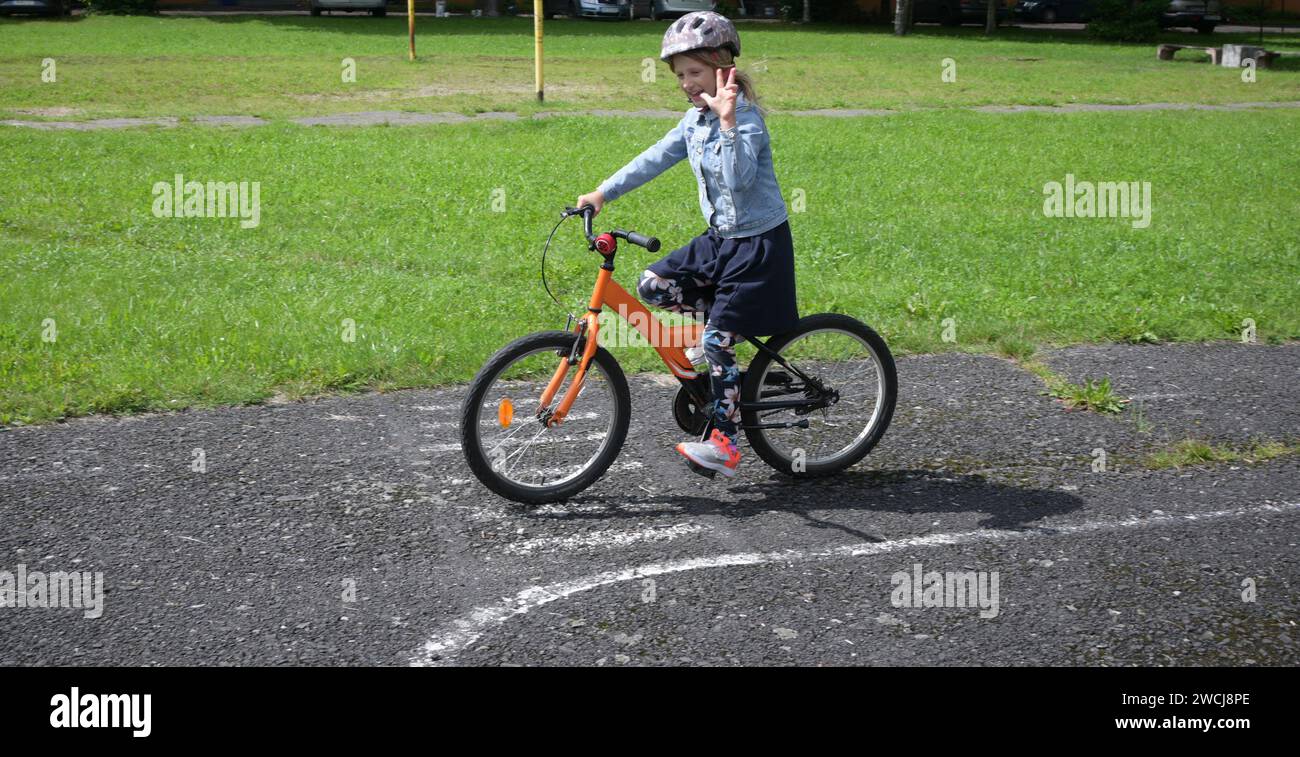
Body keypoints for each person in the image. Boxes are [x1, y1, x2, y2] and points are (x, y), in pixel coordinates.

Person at [575, 11, 797, 479]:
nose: (685, 83)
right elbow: (655, 157)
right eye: (679, 75)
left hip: (757, 246)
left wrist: (730, 120)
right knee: (653, 285)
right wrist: (602, 192)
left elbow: (738, 182)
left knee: (717, 342)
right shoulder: (694, 122)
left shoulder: (748, 122)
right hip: (720, 242)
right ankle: (715, 337)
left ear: (723, 69)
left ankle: (725, 443)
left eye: (693, 72)